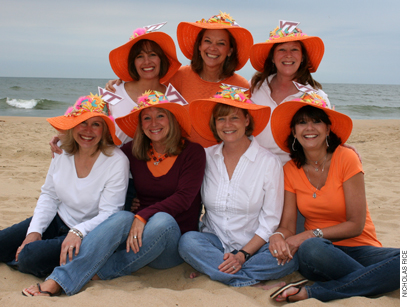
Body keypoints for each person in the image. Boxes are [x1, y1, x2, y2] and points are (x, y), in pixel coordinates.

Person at [22, 90, 206, 297]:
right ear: (141, 124)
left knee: (162, 220)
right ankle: (59, 279)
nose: (153, 123)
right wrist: (64, 137)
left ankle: (101, 270)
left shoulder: (193, 152)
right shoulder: (132, 151)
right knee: (120, 217)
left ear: (171, 119)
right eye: (147, 117)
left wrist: (144, 214)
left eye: (160, 115)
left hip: (169, 243)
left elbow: (184, 198)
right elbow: (96, 146)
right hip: (133, 238)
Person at [268, 93, 400, 302]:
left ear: (328, 128)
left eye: (316, 121)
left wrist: (309, 234)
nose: (309, 128)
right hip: (321, 255)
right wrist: (277, 236)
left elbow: (356, 225)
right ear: (293, 132)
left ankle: (316, 292)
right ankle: (374, 281)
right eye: (302, 123)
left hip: (361, 248)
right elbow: (288, 225)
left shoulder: (346, 158)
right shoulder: (290, 169)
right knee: (311, 249)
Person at [178, 86, 298, 287]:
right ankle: (249, 280)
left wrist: (243, 254)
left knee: (288, 259)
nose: (227, 125)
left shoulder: (269, 162)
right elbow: (180, 188)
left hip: (256, 246)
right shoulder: (205, 157)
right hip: (214, 243)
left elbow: (271, 220)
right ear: (214, 124)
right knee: (187, 242)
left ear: (247, 120)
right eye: (221, 119)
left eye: (234, 118)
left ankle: (218, 271)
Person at [0, 94, 129, 279]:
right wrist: (34, 232)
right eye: (82, 122)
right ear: (73, 125)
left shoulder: (116, 161)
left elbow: (110, 213)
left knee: (30, 257)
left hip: (87, 233)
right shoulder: (61, 149)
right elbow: (49, 195)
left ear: (105, 130)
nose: (88, 130)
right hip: (57, 219)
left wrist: (78, 231)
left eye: (96, 124)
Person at [106, 12, 253, 148]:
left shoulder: (240, 85)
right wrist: (122, 82)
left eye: (221, 43)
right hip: (184, 158)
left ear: (230, 51)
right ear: (200, 46)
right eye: (207, 41)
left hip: (221, 160)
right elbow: (150, 86)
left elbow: (244, 127)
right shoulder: (180, 75)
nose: (213, 48)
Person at [249, 21, 330, 164]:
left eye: (294, 49)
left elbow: (327, 135)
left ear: (303, 57)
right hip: (253, 166)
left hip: (294, 169)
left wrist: (345, 149)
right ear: (272, 58)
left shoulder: (316, 97)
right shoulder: (253, 88)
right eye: (281, 49)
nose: (288, 55)